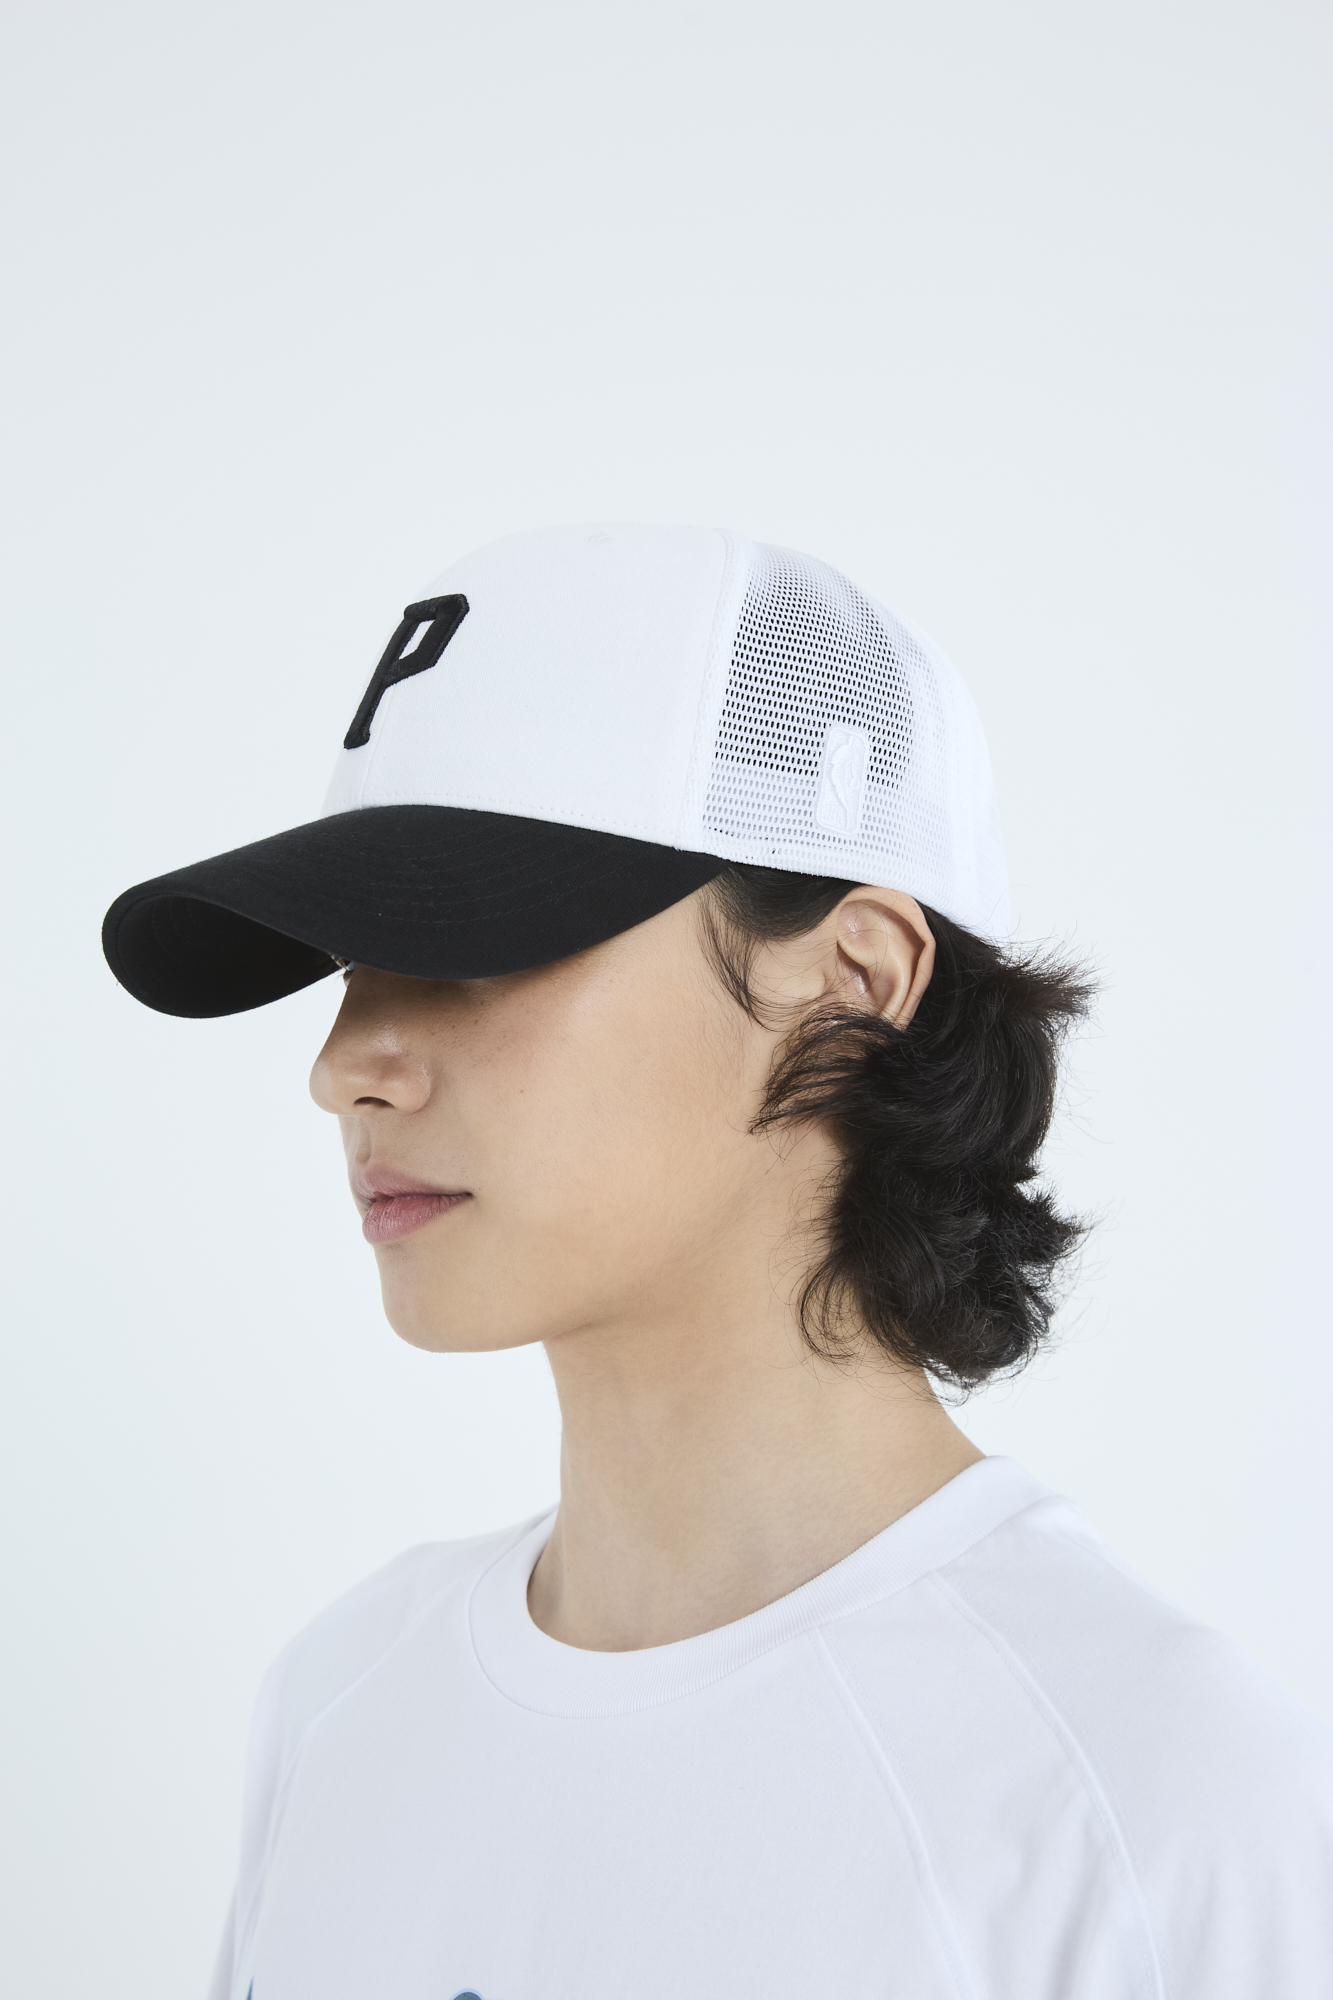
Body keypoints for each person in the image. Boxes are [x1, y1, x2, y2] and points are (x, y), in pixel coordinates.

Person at [103, 525, 1333, 2000]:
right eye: (351, 967)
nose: (345, 1068)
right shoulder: (342, 1700)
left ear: (856, 982)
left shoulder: (1148, 1799)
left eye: (471, 950)